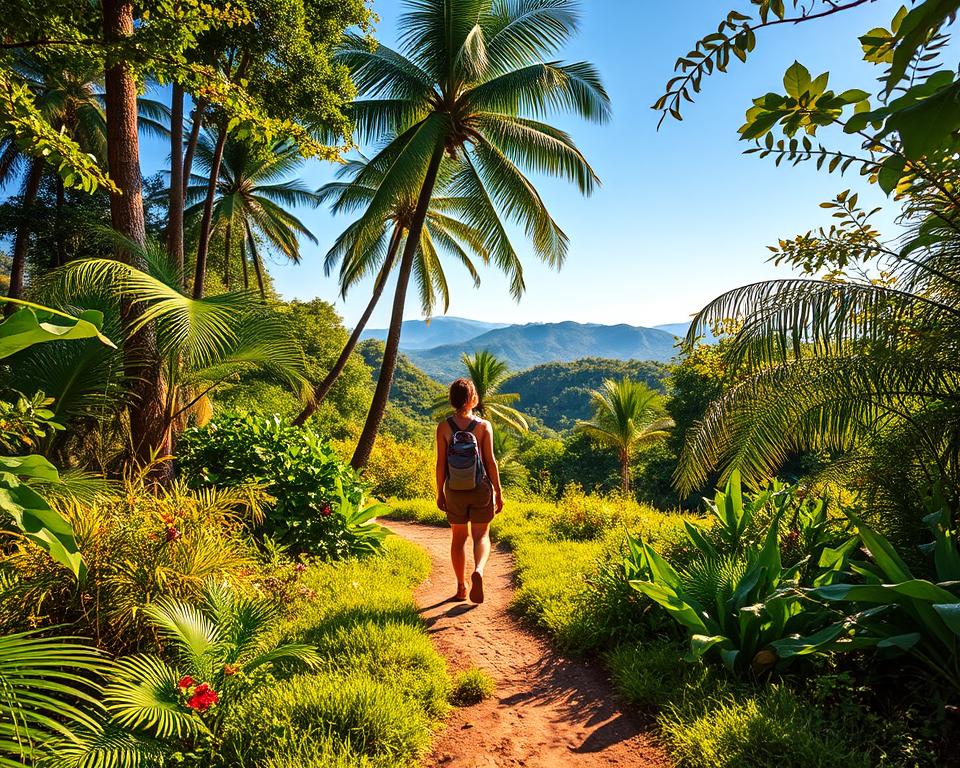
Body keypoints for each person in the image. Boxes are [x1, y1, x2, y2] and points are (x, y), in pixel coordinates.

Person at [435, 377, 504, 603]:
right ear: (473, 398)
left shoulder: (444, 427)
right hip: (480, 487)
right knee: (481, 534)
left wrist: (440, 492)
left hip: (454, 489)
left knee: (458, 538)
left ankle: (461, 587)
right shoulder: (484, 427)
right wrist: (498, 491)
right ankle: (479, 571)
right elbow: (490, 461)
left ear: (452, 400)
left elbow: (441, 464)